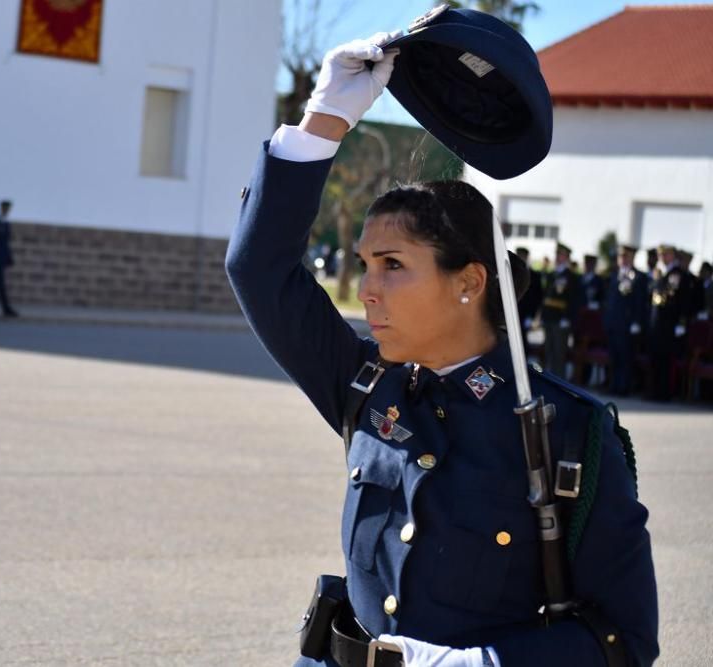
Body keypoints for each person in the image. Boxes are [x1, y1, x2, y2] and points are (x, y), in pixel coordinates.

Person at [225, 31, 658, 667]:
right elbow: (259, 266)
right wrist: (326, 119)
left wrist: (479, 665)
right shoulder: (366, 386)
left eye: (393, 265)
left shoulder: (565, 431)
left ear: (469, 282)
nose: (367, 291)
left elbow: (623, 639)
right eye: (364, 264)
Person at [603, 245, 648, 396]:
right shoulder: (614, 274)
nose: (622, 259)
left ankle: (624, 387)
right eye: (620, 257)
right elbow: (609, 300)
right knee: (614, 357)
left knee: (625, 358)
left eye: (625, 257)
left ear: (631, 258)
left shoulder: (639, 277)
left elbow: (640, 301)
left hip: (627, 324)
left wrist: (636, 321)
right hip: (613, 323)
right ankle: (614, 385)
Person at [648, 245, 689, 401]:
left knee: (666, 360)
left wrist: (681, 322)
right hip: (656, 322)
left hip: (670, 323)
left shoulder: (679, 274)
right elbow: (651, 295)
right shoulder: (659, 273)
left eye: (666, 254)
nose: (662, 258)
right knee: (655, 358)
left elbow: (684, 301)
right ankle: (654, 391)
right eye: (660, 255)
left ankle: (664, 393)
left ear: (673, 256)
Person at [540, 242, 581, 378]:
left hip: (561, 318)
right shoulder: (552, 274)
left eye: (561, 255)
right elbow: (546, 296)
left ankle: (558, 380)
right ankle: (547, 379)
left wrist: (567, 318)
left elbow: (574, 300)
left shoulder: (571, 276)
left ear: (567, 257)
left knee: (559, 353)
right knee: (548, 350)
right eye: (557, 254)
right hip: (549, 317)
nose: (557, 257)